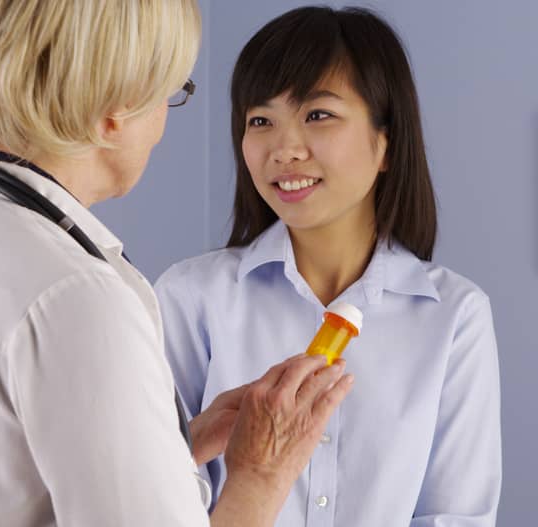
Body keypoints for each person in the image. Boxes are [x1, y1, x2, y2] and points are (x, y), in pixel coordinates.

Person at [0, 1, 354, 526]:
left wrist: (167, 451)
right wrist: (263, 473)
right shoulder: (74, 297)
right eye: (171, 91)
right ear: (116, 106)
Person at [155, 6, 502, 526]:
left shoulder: (455, 316)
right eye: (260, 120)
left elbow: (454, 516)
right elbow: (151, 493)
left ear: (385, 142)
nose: (284, 149)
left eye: (318, 115)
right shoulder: (190, 296)